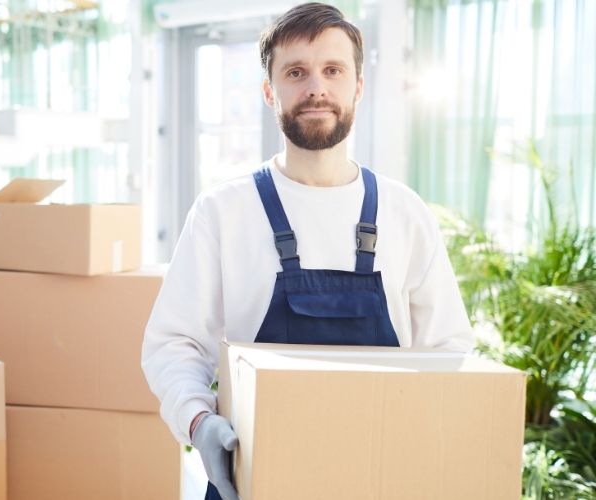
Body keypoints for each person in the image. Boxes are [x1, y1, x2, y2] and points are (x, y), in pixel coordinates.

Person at [141, 3, 475, 499]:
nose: (316, 87)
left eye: (333, 70)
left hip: (383, 477)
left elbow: (450, 352)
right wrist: (198, 422)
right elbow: (172, 344)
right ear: (268, 90)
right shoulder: (222, 212)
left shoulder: (406, 215)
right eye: (295, 72)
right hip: (253, 479)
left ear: (358, 85)